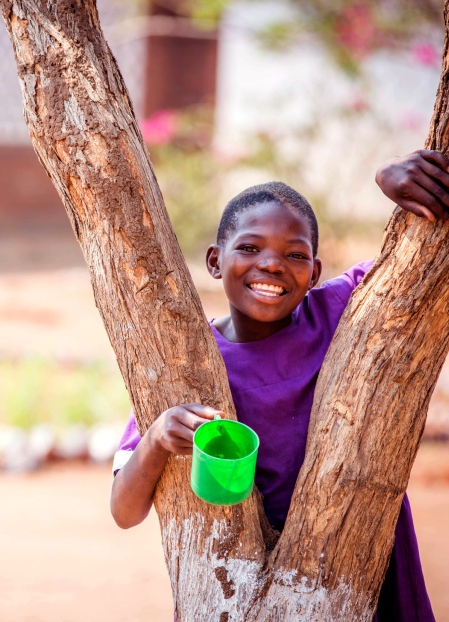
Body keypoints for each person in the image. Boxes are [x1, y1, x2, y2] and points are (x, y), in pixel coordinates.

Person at [111, 149, 449, 621]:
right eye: (249, 248)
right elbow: (124, 511)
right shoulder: (189, 362)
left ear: (314, 273)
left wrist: (390, 180)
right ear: (215, 261)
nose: (271, 264)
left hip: (359, 565)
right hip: (248, 582)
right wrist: (155, 439)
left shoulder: (341, 309)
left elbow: (420, 265)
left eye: (294, 254)